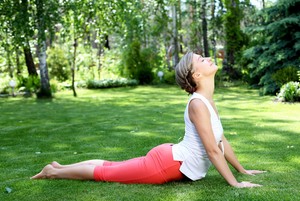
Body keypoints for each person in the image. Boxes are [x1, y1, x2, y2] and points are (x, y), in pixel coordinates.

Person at [31, 51, 265, 187]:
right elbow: (213, 151)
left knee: (113, 166)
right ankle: (54, 172)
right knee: (108, 173)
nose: (208, 58)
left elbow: (220, 140)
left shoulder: (206, 100)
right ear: (197, 74)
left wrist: (242, 171)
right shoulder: (197, 103)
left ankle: (60, 167)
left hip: (171, 157)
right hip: (167, 165)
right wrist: (235, 184)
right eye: (202, 59)